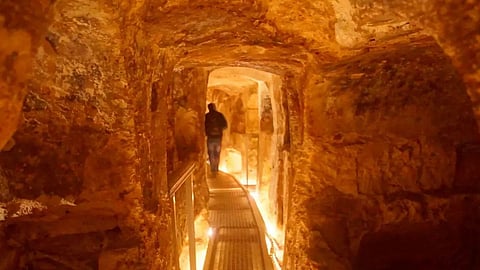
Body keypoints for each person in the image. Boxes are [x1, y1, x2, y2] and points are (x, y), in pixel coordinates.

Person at [205, 103, 227, 175]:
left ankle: (212, 169)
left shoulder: (207, 116)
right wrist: (219, 129)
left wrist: (207, 132)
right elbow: (225, 125)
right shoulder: (219, 115)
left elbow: (204, 126)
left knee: (211, 153)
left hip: (210, 137)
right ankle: (216, 169)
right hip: (218, 137)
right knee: (217, 154)